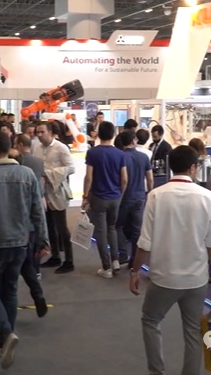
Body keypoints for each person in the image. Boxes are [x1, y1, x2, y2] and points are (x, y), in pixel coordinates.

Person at [129, 145, 211, 375]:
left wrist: (134, 271)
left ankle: (157, 371)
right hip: (196, 278)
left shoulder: (156, 196)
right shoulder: (207, 197)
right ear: (193, 168)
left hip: (163, 277)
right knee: (193, 331)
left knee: (151, 320)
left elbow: (145, 242)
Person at [0, 131, 46, 369]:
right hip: (20, 242)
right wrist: (43, 239)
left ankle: (6, 333)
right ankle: (4, 341)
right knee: (11, 290)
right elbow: (38, 210)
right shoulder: (27, 174)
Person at [83, 121, 128, 277]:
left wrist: (85, 196)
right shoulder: (120, 154)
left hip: (98, 197)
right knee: (112, 228)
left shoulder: (93, 153)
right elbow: (124, 179)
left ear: (99, 134)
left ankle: (106, 267)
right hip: (115, 197)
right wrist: (120, 194)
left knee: (101, 232)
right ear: (113, 134)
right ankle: (115, 261)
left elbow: (89, 177)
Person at [34, 121, 76, 274]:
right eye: (37, 132)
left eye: (42, 132)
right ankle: (55, 256)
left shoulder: (61, 148)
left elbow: (71, 168)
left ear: (51, 133)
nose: (39, 135)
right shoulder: (37, 148)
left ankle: (69, 260)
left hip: (57, 190)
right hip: (43, 191)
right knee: (49, 226)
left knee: (61, 227)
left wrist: (51, 173)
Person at [14, 134, 49, 316]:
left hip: (15, 224)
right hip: (31, 217)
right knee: (27, 262)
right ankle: (37, 292)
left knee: (9, 272)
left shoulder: (18, 165)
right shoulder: (38, 163)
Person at [116, 131, 153, 266]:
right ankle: (134, 260)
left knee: (117, 226)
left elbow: (122, 179)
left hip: (124, 197)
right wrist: (149, 193)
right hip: (139, 196)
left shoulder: (120, 156)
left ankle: (122, 253)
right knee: (137, 230)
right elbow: (150, 178)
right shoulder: (144, 157)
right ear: (133, 141)